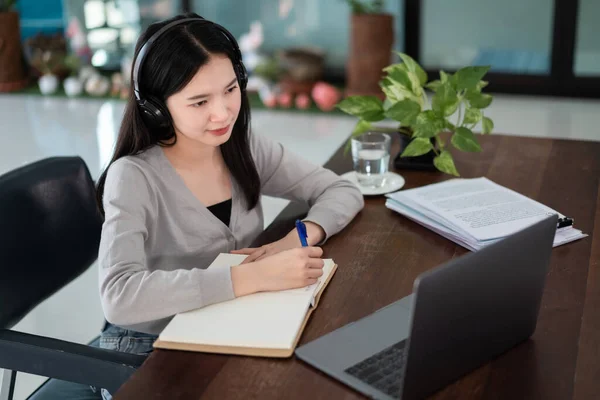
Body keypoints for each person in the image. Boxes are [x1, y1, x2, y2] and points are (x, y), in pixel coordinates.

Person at [29, 13, 363, 400]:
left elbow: (341, 190)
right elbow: (119, 297)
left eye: (230, 89)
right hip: (148, 345)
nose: (222, 113)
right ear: (156, 107)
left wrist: (299, 237)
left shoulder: (243, 146)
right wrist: (248, 278)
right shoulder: (134, 176)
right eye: (199, 101)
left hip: (225, 321)